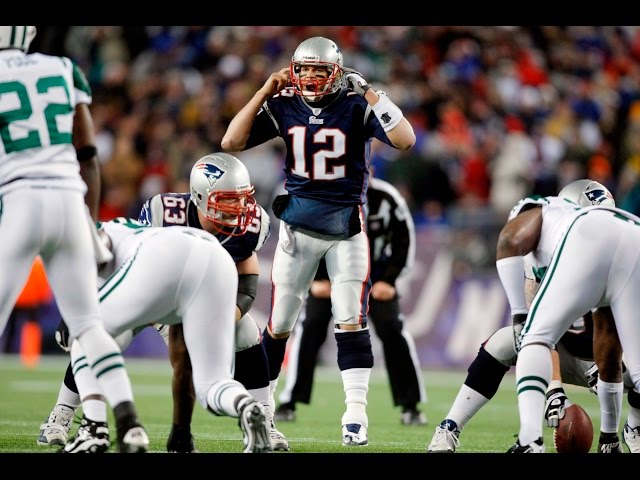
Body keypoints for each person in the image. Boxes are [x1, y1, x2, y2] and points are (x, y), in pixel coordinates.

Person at [221, 35, 416, 445]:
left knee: (350, 318)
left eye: (319, 69)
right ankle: (264, 412)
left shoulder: (356, 105)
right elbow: (231, 143)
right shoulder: (284, 104)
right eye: (304, 68)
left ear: (337, 73)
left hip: (346, 229)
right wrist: (263, 91)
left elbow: (405, 140)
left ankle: (356, 416)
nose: (310, 76)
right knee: (279, 324)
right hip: (297, 228)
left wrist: (369, 91)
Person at [39, 153, 289, 452]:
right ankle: (62, 413)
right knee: (103, 336)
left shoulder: (252, 224)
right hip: (146, 290)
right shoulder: (164, 211)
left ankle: (263, 418)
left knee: (246, 332)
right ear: (200, 196)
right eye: (227, 200)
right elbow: (132, 263)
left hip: (195, 299)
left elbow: (247, 283)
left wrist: (223, 318)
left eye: (241, 199)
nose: (238, 208)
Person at [0, 26, 148, 453]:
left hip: (21, 198)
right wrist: (90, 220)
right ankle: (129, 423)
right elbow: (88, 154)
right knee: (88, 325)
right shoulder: (63, 68)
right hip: (69, 198)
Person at [427, 179, 636, 453]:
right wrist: (554, 387)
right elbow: (538, 330)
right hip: (565, 351)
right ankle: (450, 426)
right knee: (503, 342)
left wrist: (613, 363)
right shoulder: (544, 244)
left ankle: (634, 427)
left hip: (616, 358)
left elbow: (618, 328)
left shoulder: (620, 250)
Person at [63, 217, 272, 453]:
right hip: (216, 258)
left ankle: (97, 428)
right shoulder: (131, 227)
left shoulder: (100, 230)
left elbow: (99, 244)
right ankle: (246, 406)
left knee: (85, 330)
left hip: (162, 257)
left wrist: (75, 308)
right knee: (213, 383)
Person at [275, 173, 427, 426]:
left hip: (375, 280)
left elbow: (404, 239)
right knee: (309, 326)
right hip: (331, 277)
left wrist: (389, 280)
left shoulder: (387, 198)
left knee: (393, 329)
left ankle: (410, 405)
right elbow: (305, 236)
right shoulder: (324, 193)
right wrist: (317, 278)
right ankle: (289, 400)